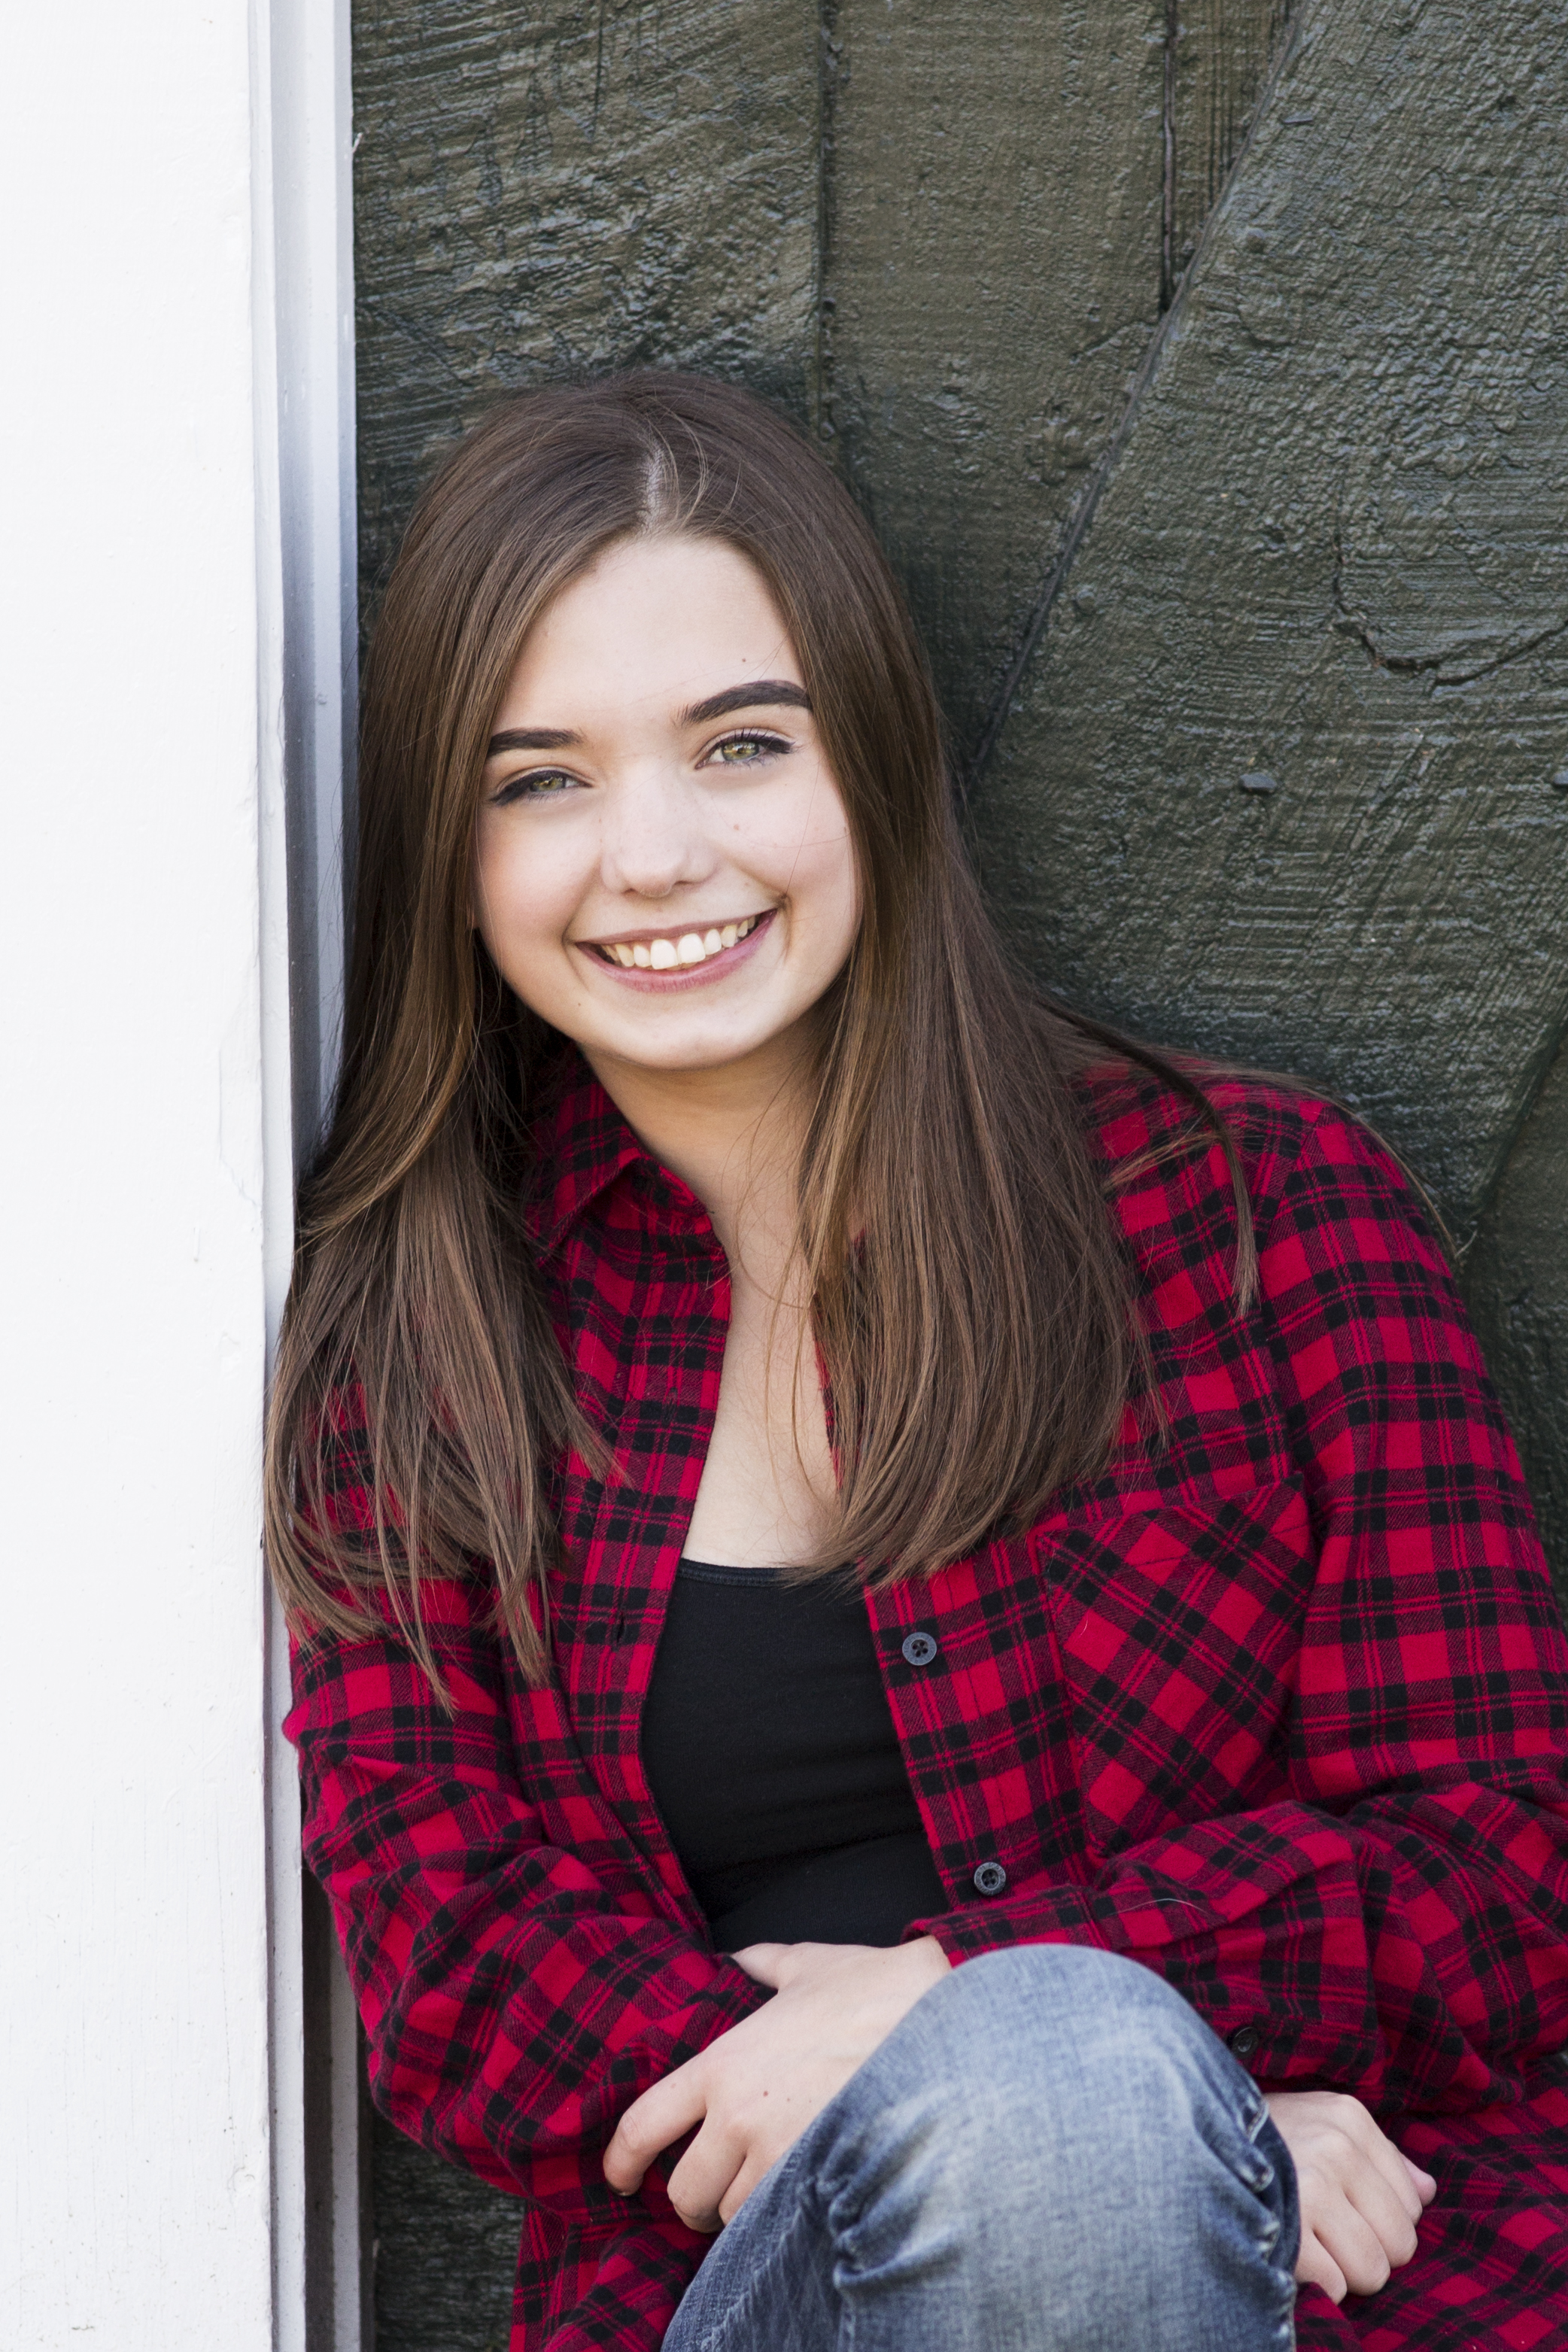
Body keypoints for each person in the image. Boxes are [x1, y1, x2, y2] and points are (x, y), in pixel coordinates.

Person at [269, 372, 1568, 2352]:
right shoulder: (421, 1343)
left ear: (867, 756)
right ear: (450, 856)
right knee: (1061, 2091)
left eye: (738, 745)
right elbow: (453, 1967)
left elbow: (1493, 1878)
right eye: (540, 779)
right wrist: (1074, 2091)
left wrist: (1063, 2035)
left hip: (1350, 2291)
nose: (652, 854)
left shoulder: (1257, 1217)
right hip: (758, 2290)